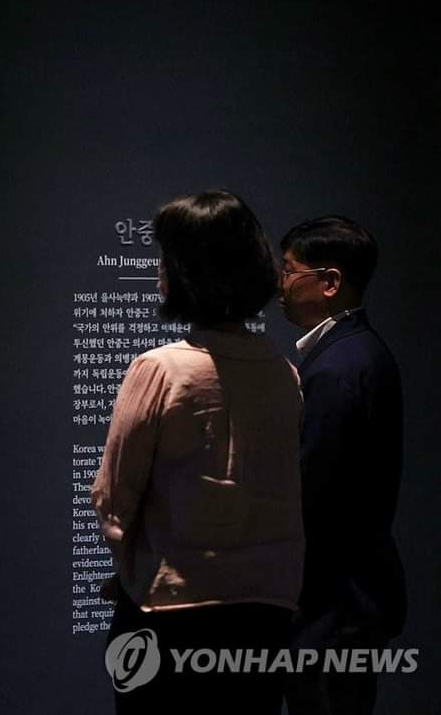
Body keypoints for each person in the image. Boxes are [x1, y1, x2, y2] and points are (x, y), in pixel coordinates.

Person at [92, 190, 304, 715]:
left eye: (167, 256)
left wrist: (129, 571)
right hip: (266, 613)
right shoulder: (284, 372)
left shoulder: (159, 369)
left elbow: (113, 500)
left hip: (171, 610)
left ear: (188, 270)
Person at [278, 216, 405, 715]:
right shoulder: (360, 352)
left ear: (329, 282)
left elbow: (311, 490)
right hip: (351, 600)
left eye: (289, 270)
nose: (280, 284)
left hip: (331, 608)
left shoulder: (336, 368)